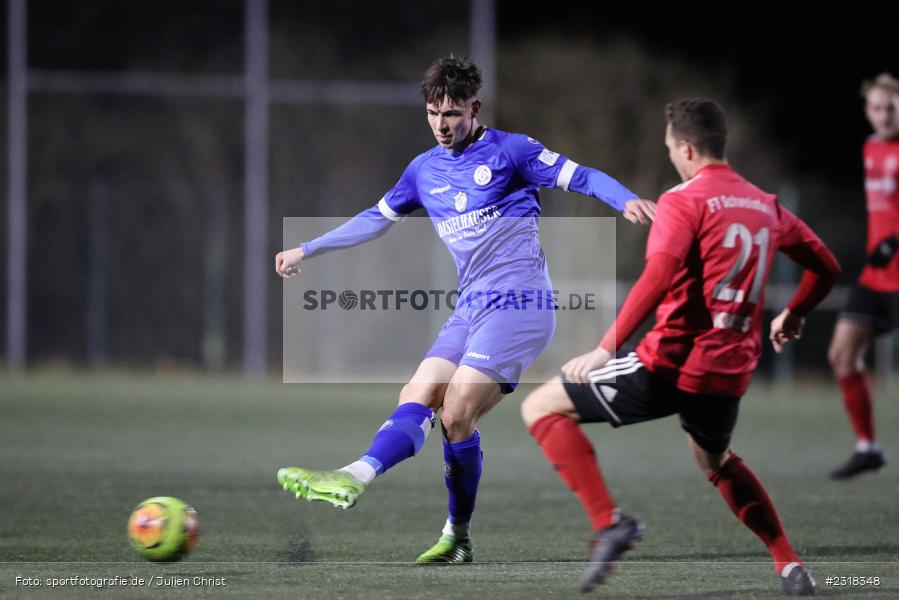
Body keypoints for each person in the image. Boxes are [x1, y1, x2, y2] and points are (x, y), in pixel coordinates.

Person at [273, 55, 656, 564]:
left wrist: (624, 199)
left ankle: (360, 477)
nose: (441, 124)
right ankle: (449, 532)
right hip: (472, 306)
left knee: (455, 408)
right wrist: (307, 249)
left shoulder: (512, 151)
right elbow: (375, 218)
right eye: (433, 113)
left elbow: (579, 176)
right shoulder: (423, 170)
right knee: (421, 394)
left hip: (521, 305)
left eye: (452, 113)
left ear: (475, 108)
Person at [521, 98, 840, 595]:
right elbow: (828, 268)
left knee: (541, 408)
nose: (670, 155)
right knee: (716, 461)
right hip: (730, 372)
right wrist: (795, 312)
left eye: (670, 147)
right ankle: (790, 564)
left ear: (687, 148)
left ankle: (610, 524)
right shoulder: (766, 204)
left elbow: (658, 275)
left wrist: (606, 348)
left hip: (669, 364)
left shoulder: (683, 200)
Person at [827, 73, 899, 479]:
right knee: (841, 354)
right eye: (877, 107)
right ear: (867, 111)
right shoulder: (871, 147)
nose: (884, 115)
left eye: (891, 107)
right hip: (876, 275)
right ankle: (868, 447)